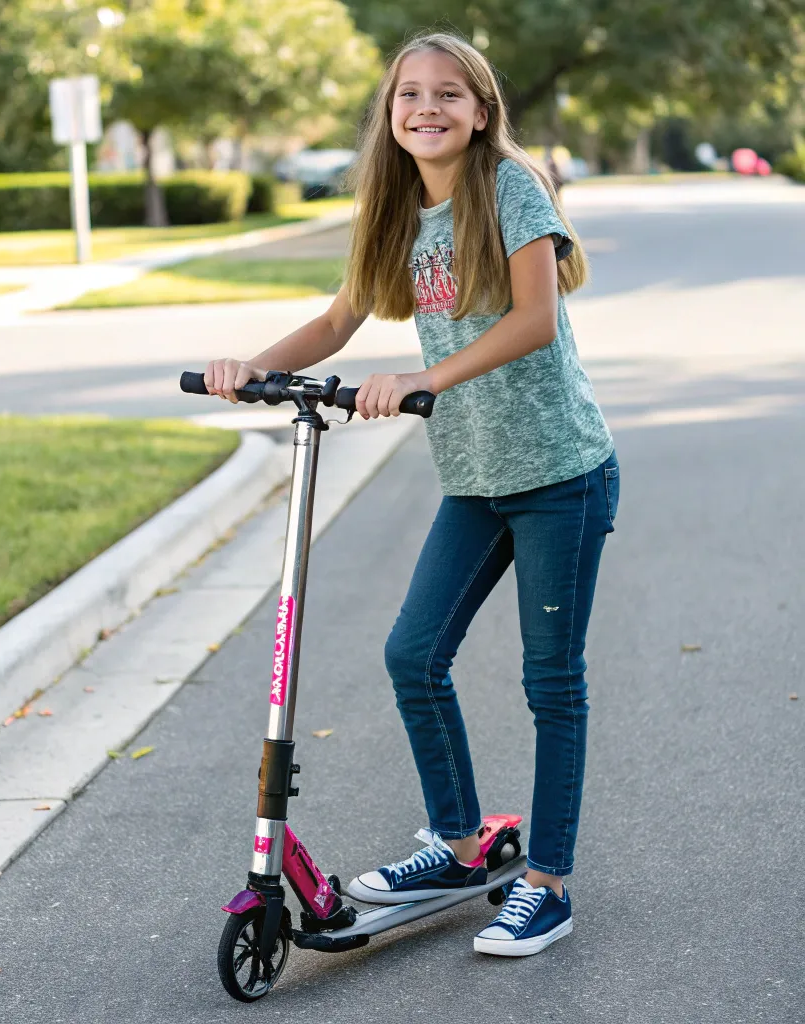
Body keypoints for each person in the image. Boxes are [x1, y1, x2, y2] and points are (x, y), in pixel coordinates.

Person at [202, 31, 618, 958]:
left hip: (561, 473)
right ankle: (461, 844)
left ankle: (546, 882)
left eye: (448, 95)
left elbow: (534, 319)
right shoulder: (392, 207)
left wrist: (425, 379)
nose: (426, 109)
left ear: (480, 112)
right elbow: (338, 317)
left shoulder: (510, 187)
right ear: (389, 115)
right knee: (412, 656)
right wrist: (251, 368)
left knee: (551, 682)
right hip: (474, 479)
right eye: (408, 95)